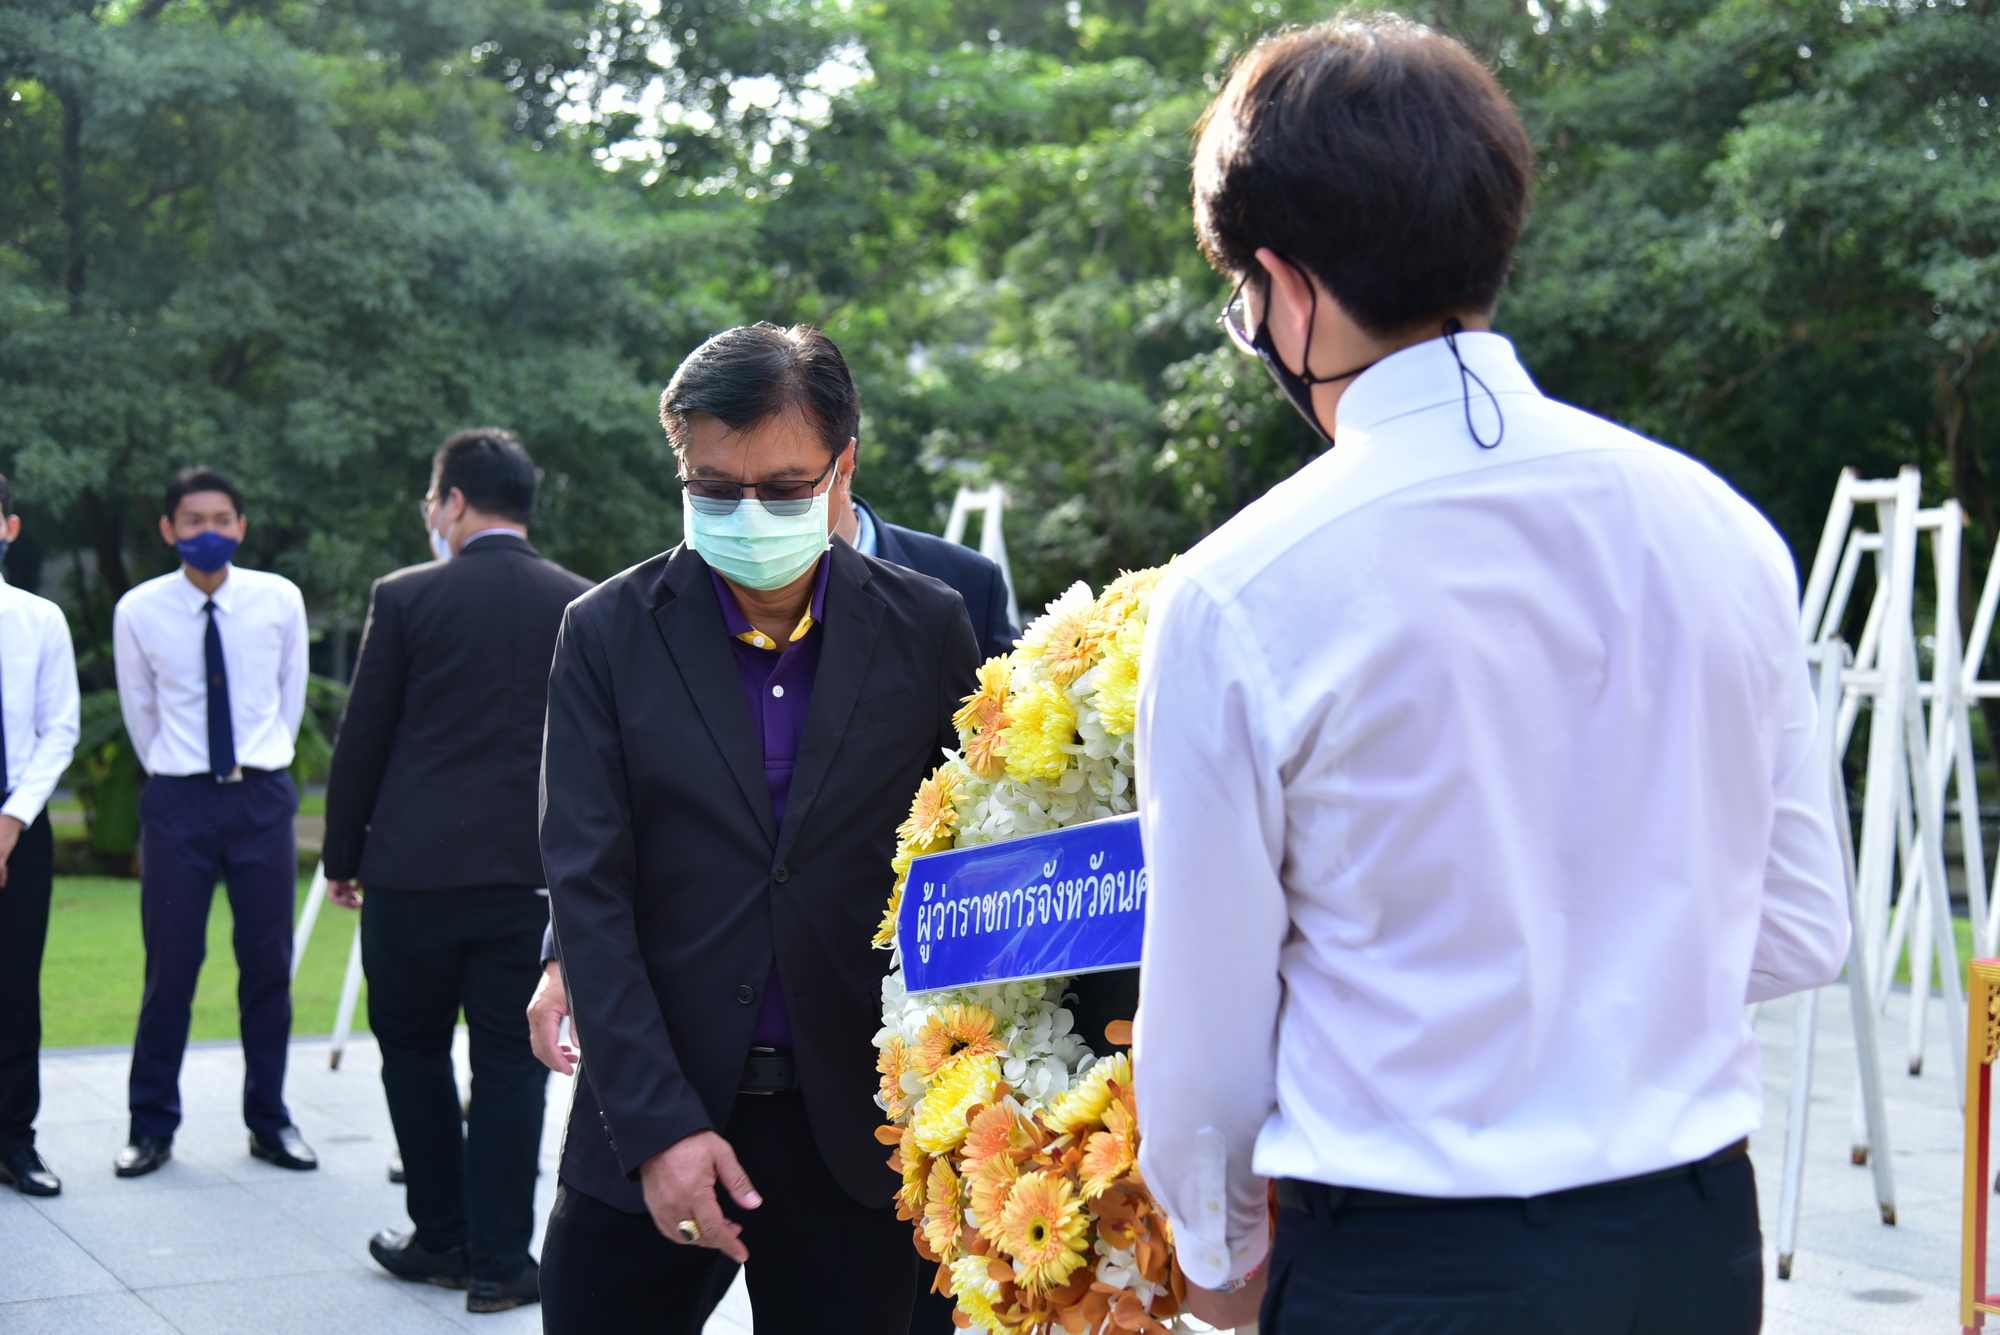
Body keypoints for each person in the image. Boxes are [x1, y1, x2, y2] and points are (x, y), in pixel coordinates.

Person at [1133, 17, 1850, 1335]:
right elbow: (1804, 918)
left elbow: (1208, 1016)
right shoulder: (1720, 525)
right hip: (1691, 1245)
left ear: (1285, 286)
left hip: (1411, 1261)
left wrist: (1217, 1251)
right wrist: (1606, 986)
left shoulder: (1245, 589)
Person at [535, 322, 979, 1333]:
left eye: (782, 489)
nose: (746, 515)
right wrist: (659, 1131)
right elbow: (589, 892)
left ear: (843, 469)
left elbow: (967, 865)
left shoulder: (926, 627)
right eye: (713, 487)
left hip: (857, 1130)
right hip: (652, 1116)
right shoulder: (605, 634)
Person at [320, 429, 591, 1313]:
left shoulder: (405, 596)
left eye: (433, 500)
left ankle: (439, 1237)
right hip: (528, 881)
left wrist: (342, 856)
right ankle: (502, 1262)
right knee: (511, 1064)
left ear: (455, 501)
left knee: (412, 1050)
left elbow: (364, 735)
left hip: (411, 874)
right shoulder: (582, 603)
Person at [113, 467, 315, 1179]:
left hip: (261, 797)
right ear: (169, 529)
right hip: (179, 801)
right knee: (170, 966)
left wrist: (255, 766)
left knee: (268, 966)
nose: (208, 531)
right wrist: (184, 772)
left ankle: (270, 1120)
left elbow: (289, 699)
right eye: (193, 520)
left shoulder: (278, 599)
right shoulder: (138, 609)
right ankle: (150, 1125)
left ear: (241, 527)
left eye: (221, 519)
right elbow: (141, 714)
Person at [0, 475, 81, 1198]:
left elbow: (59, 729)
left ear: (10, 527)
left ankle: (13, 1139)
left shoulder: (39, 619)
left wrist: (11, 819)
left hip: (18, 820)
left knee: (15, 989)